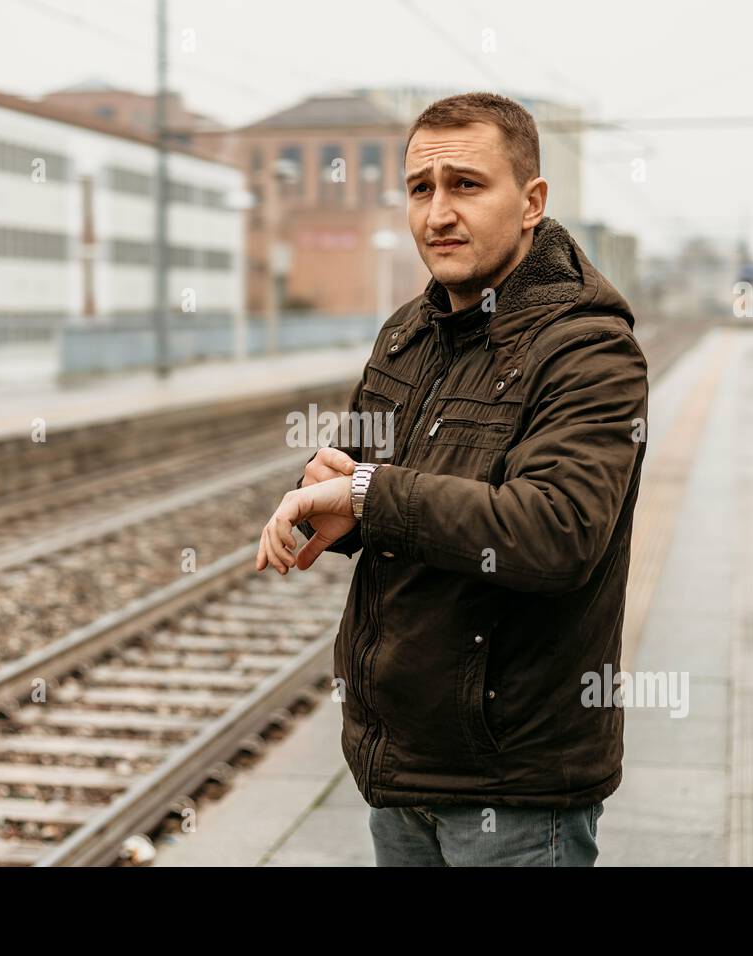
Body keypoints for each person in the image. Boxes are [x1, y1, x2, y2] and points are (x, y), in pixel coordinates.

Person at [255, 92, 648, 866]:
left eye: (467, 185)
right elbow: (382, 483)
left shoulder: (589, 351)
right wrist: (333, 496)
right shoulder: (407, 333)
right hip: (399, 769)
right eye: (420, 189)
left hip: (514, 788)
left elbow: (555, 531)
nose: (438, 213)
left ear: (532, 202)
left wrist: (370, 493)